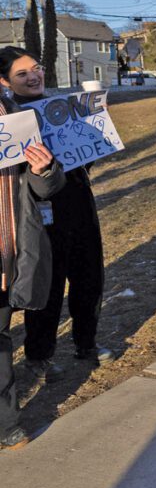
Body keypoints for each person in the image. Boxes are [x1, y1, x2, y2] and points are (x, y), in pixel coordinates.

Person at [0, 48, 113, 386]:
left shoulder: (62, 109)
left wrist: (95, 131)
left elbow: (84, 159)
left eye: (36, 68)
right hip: (37, 216)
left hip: (78, 205)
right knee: (47, 289)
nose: (33, 76)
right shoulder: (7, 121)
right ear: (4, 81)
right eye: (22, 74)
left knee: (89, 279)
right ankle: (39, 356)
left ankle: (86, 343)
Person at [0, 54, 65, 449]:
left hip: (10, 250)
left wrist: (44, 169)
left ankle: (7, 422)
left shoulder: (18, 119)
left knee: (1, 338)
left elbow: (45, 190)